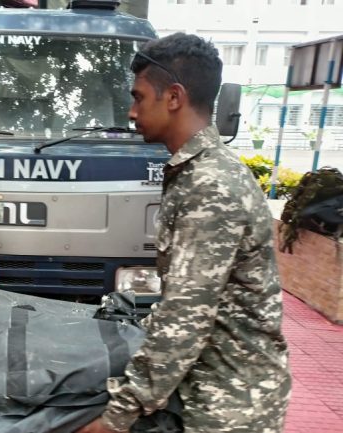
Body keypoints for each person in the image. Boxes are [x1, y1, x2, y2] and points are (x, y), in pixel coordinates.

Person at [77, 33, 291, 433]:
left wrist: (115, 418)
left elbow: (185, 317)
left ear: (173, 97)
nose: (132, 112)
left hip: (227, 406)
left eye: (139, 97)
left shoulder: (210, 185)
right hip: (206, 390)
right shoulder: (196, 172)